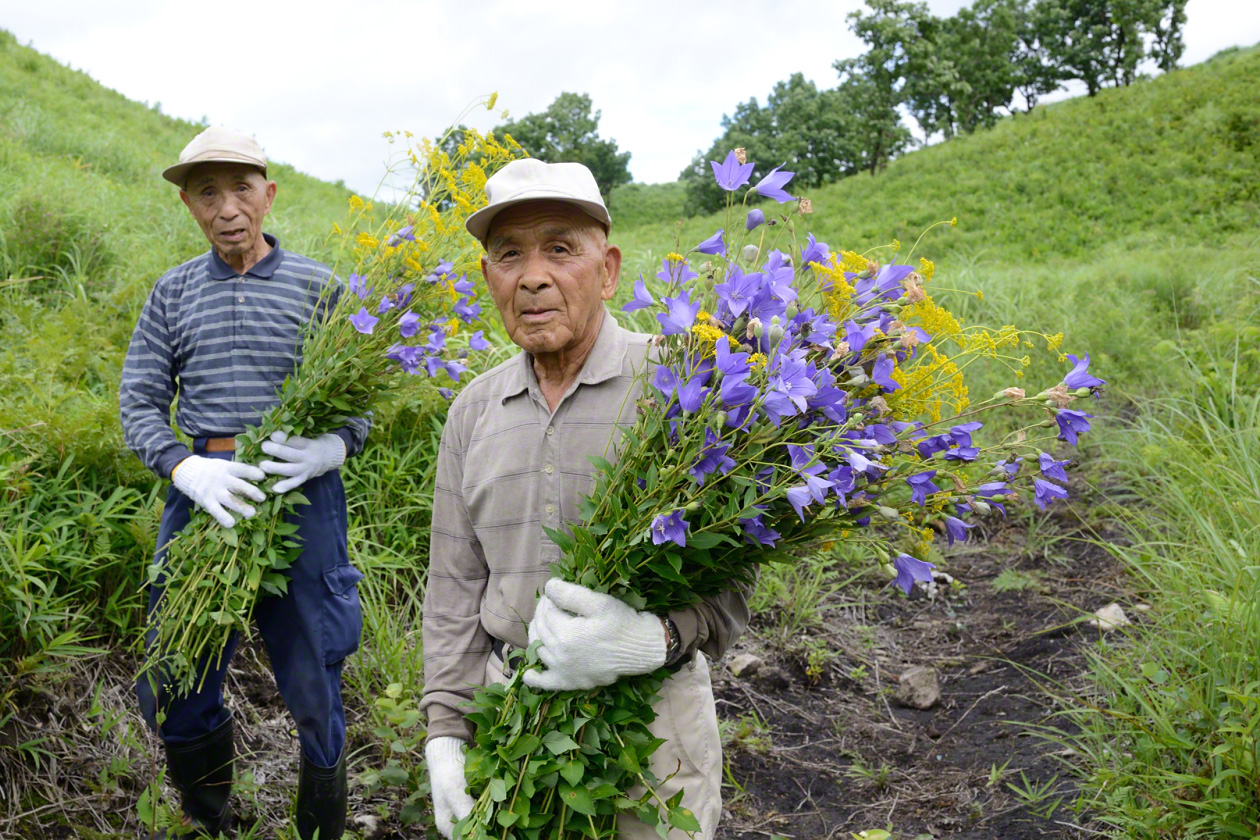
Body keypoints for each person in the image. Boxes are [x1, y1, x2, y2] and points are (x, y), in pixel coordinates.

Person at [420, 158, 750, 840]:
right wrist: (446, 737)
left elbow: (735, 576)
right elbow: (453, 591)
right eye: (509, 255)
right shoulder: (472, 411)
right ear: (489, 279)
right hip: (511, 724)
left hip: (654, 728)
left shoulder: (679, 382)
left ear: (608, 270)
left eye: (561, 249)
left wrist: (649, 640)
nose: (533, 276)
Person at [120, 126, 370, 840]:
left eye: (240, 188)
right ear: (188, 206)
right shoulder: (171, 293)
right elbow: (138, 400)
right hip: (203, 496)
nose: (226, 207)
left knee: (316, 671)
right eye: (207, 192)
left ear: (268, 194)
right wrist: (186, 468)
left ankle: (320, 830)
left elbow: (358, 405)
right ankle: (211, 821)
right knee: (179, 673)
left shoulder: (320, 287)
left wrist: (330, 448)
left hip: (300, 494)